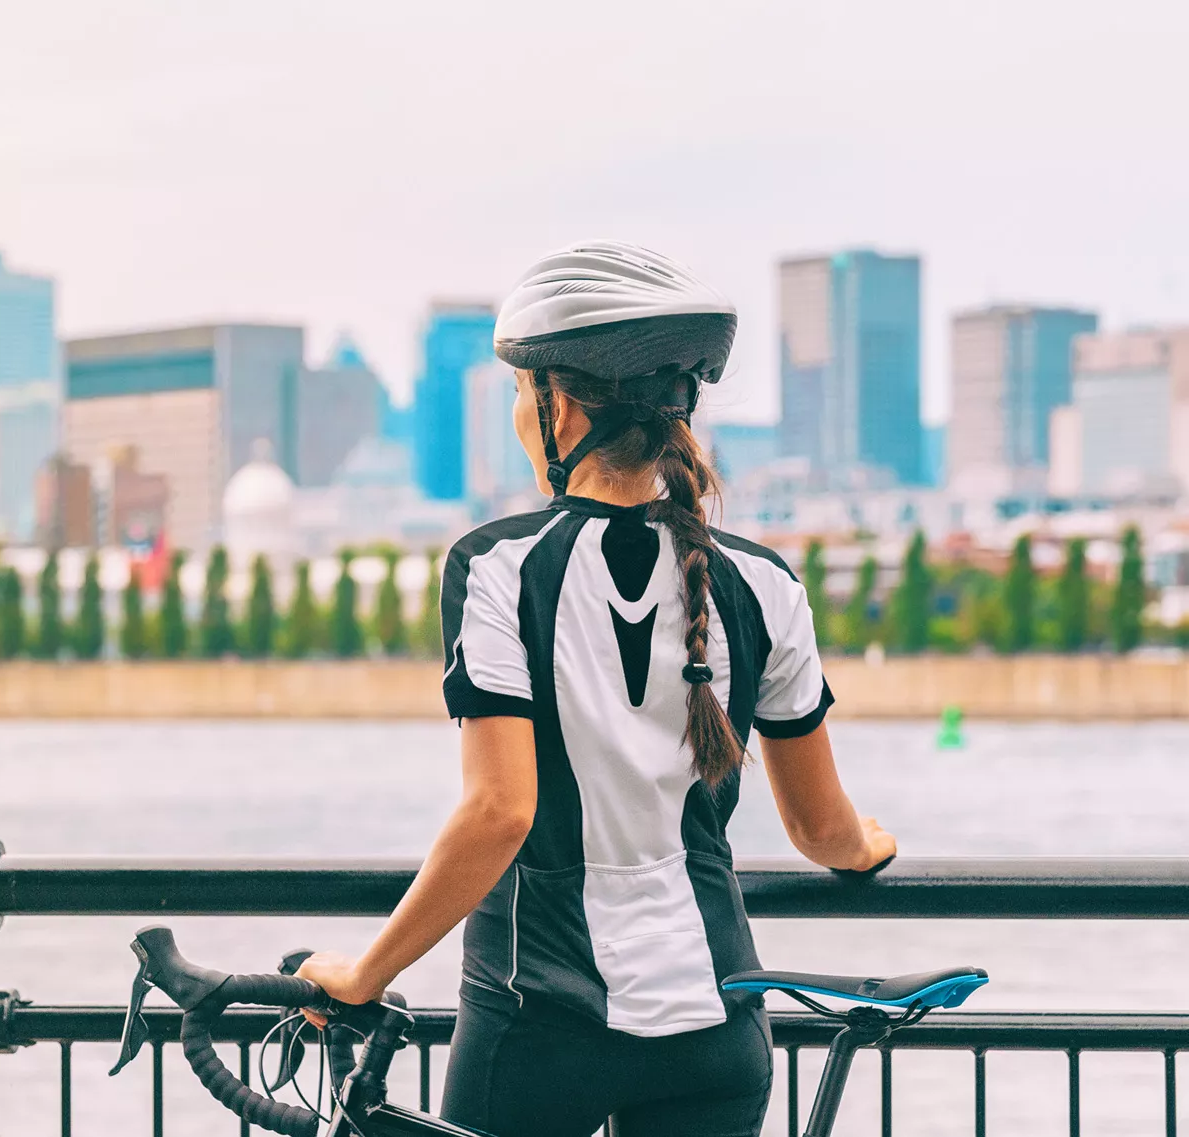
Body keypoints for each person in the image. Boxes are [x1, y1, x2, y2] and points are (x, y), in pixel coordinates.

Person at [299, 241, 895, 1137]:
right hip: (716, 1026)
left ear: (561, 406)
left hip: (540, 1024)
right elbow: (821, 829)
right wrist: (865, 847)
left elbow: (500, 811)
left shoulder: (497, 566)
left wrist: (365, 973)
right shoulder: (766, 582)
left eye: (518, 391)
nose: (516, 412)